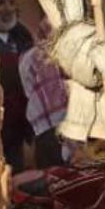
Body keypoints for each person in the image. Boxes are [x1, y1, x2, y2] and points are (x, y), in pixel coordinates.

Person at [0, 0, 35, 171]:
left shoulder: (22, 36)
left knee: (16, 173)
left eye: (12, 3)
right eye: (1, 3)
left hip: (17, 122)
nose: (7, 9)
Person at [20, 17, 69, 168]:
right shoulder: (68, 53)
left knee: (50, 178)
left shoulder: (27, 58)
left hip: (44, 128)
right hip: (72, 124)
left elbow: (28, 91)